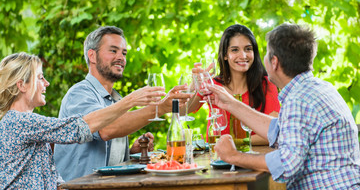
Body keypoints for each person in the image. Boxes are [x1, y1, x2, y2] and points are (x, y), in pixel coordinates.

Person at [210, 23, 360, 189]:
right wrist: (230, 103)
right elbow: (279, 130)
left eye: (267, 54)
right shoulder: (319, 88)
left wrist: (234, 156)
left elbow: (286, 164)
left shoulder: (298, 100)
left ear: (274, 62)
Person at [0, 52, 164, 189]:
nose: (46, 83)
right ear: (21, 85)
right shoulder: (18, 121)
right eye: (40, 77)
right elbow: (77, 128)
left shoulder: (29, 128)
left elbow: (54, 181)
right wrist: (132, 100)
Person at [54, 26, 190, 181]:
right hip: (80, 186)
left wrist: (131, 152)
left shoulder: (115, 99)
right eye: (113, 51)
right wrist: (160, 107)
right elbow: (106, 130)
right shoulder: (79, 94)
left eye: (124, 53)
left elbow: (111, 149)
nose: (121, 57)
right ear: (92, 55)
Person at [188, 24, 280, 145]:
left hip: (253, 159)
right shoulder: (213, 84)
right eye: (235, 50)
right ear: (225, 55)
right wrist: (193, 87)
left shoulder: (266, 84)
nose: (243, 55)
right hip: (216, 159)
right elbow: (184, 111)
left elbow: (275, 133)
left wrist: (234, 144)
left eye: (248, 49)